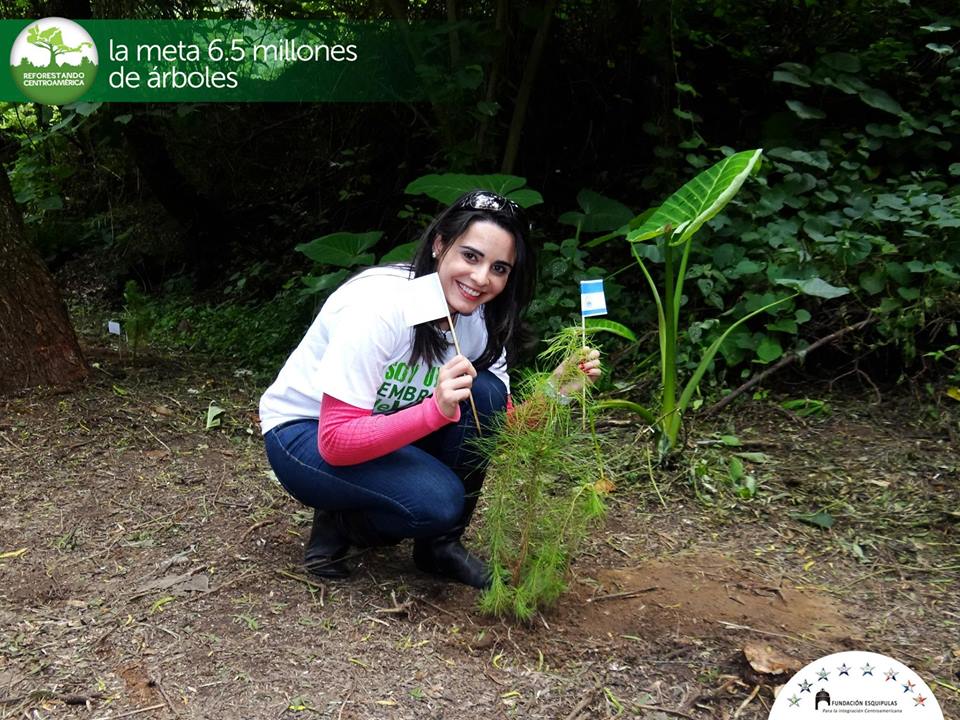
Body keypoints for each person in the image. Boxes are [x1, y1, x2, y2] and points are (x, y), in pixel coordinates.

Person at [259, 189, 601, 589]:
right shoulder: (377, 309)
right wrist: (434, 411)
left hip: (383, 428)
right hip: (306, 433)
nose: (481, 278)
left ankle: (439, 548)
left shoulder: (479, 322)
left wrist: (557, 391)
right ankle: (341, 520)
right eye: (470, 256)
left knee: (486, 391)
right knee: (437, 501)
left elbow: (499, 426)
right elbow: (335, 442)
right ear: (440, 244)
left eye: (499, 268)